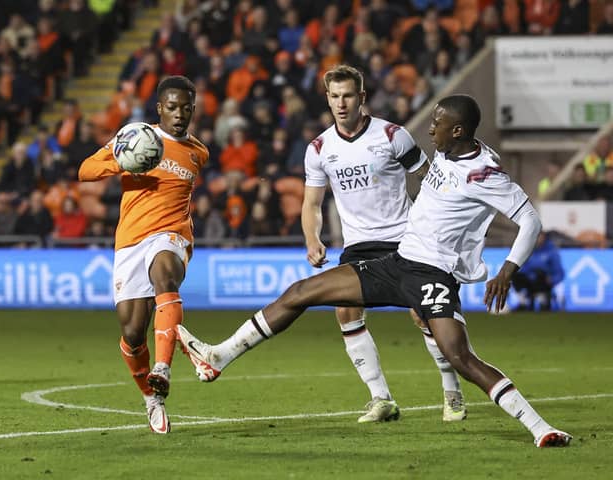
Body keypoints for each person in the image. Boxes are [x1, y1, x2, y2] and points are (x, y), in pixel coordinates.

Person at [178, 94, 572, 448]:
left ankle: (540, 428)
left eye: (437, 122)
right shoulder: (450, 153)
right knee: (301, 292)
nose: (429, 127)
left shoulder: (485, 173)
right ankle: (219, 356)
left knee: (461, 357)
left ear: (457, 130)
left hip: (433, 276)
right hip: (397, 262)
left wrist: (507, 269)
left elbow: (531, 220)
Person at [299, 65, 465, 423]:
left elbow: (427, 177)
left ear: (361, 98)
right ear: (327, 99)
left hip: (405, 238)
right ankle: (381, 399)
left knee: (424, 314)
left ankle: (452, 392)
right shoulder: (319, 149)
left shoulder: (393, 135)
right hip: (359, 244)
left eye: (347, 96)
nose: (341, 104)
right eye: (334, 96)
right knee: (345, 311)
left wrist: (437, 222)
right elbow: (311, 204)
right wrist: (312, 238)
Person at [79, 75, 208, 434]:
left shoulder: (198, 152)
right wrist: (121, 163)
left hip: (172, 234)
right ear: (159, 109)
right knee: (133, 331)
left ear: (193, 109)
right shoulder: (133, 138)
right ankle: (152, 398)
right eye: (171, 107)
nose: (179, 114)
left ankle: (163, 367)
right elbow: (84, 170)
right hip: (131, 240)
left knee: (165, 274)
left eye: (185, 107)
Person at [512, 231, 564, 311]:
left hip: (543, 281)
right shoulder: (527, 250)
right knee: (515, 275)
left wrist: (552, 279)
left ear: (544, 237)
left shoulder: (551, 251)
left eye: (539, 236)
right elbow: (523, 267)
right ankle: (523, 301)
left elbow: (559, 273)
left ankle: (543, 300)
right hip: (530, 280)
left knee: (540, 274)